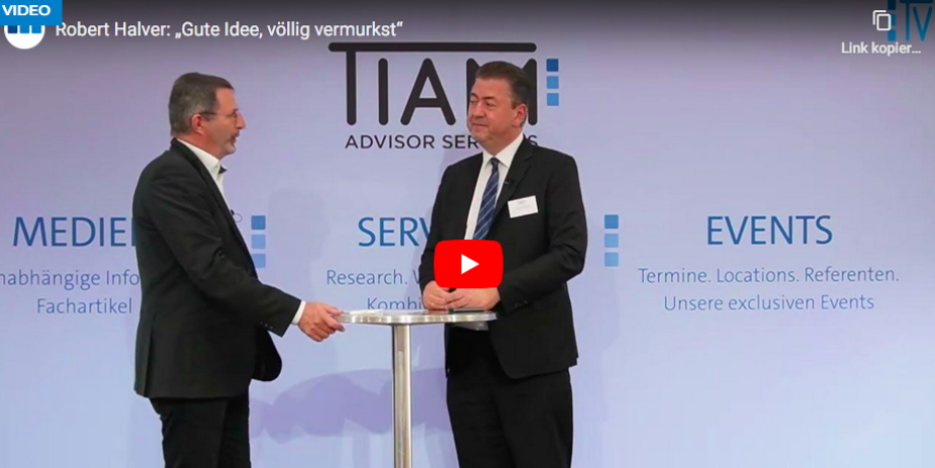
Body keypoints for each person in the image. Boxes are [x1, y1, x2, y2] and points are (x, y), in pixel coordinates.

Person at [132, 72, 344, 468]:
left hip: (218, 370)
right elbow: (210, 270)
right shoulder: (170, 177)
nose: (242, 124)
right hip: (192, 373)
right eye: (233, 115)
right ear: (199, 121)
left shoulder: (195, 175)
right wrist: (298, 312)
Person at [418, 61, 587, 468]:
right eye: (472, 101)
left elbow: (569, 253)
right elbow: (434, 252)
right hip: (467, 363)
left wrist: (498, 292)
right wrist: (430, 285)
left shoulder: (554, 169)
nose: (476, 111)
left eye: (489, 103)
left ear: (518, 113)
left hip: (531, 362)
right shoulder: (457, 177)